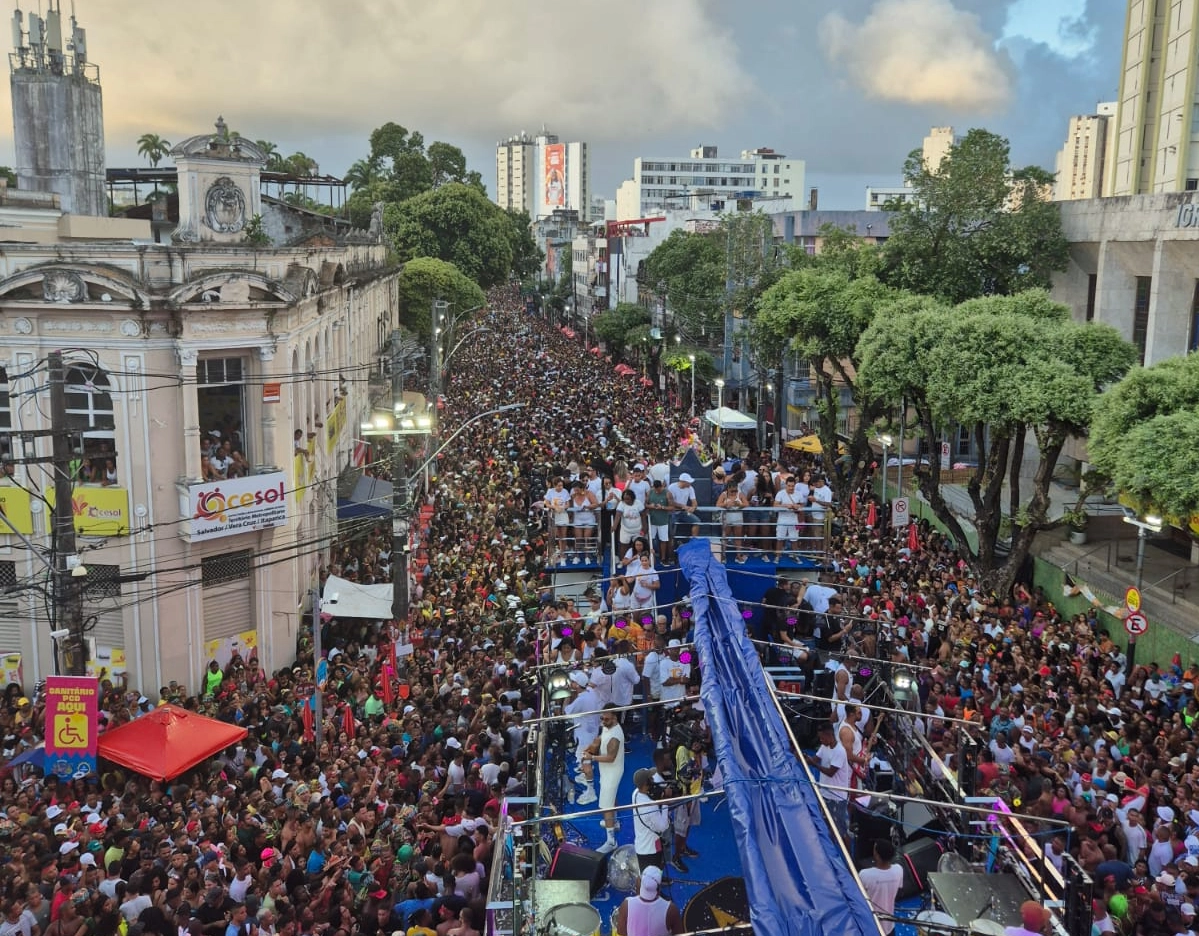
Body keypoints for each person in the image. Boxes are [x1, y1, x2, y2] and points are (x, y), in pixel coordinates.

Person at [579, 705, 625, 853]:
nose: (603, 721)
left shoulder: (615, 736)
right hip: (606, 771)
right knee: (611, 798)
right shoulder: (607, 726)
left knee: (606, 806)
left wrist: (592, 757)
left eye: (606, 719)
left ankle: (611, 841)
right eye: (602, 718)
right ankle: (615, 822)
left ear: (615, 718)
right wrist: (589, 748)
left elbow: (611, 757)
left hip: (612, 772)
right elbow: (599, 739)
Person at [614, 866, 683, 936]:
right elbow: (679, 934)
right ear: (659, 888)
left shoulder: (626, 904)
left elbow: (621, 932)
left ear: (640, 883)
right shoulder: (671, 909)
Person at [858, 840, 904, 934]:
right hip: (890, 925)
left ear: (878, 856)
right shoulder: (899, 870)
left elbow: (858, 897)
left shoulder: (865, 875)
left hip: (872, 925)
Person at [631, 769, 670, 872]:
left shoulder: (635, 793)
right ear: (645, 783)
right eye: (650, 778)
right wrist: (665, 803)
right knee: (649, 878)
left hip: (641, 845)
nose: (653, 779)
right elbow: (663, 826)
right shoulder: (650, 806)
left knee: (644, 875)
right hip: (651, 849)